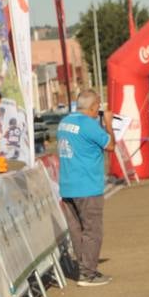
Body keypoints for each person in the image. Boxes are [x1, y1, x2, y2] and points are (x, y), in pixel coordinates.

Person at [57, 89, 113, 287]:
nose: (99, 110)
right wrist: (108, 124)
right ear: (93, 106)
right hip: (87, 185)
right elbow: (110, 145)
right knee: (92, 230)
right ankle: (88, 273)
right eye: (98, 106)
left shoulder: (64, 122)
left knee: (76, 229)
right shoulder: (89, 124)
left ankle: (83, 267)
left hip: (67, 185)